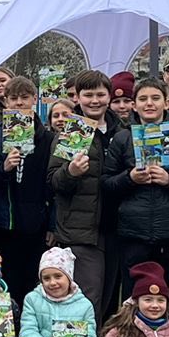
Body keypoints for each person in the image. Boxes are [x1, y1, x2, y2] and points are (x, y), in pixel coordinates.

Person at [104, 78, 169, 312]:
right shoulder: (123, 138)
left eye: (155, 98)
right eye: (142, 99)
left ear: (166, 103)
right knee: (135, 296)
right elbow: (107, 183)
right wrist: (129, 178)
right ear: (134, 105)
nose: (149, 104)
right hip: (134, 232)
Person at [46, 71, 119, 311]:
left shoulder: (123, 130)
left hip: (120, 227)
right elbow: (53, 182)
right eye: (88, 95)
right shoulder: (73, 132)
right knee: (87, 299)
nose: (95, 100)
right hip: (82, 231)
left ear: (109, 96)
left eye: (100, 94)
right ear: (77, 98)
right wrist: (71, 172)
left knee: (113, 299)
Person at [0, 74, 54, 304]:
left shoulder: (48, 138)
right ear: (5, 102)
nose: (19, 103)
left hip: (36, 224)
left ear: (34, 99)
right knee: (5, 283)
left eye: (24, 97)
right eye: (13, 98)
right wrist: (3, 168)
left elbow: (52, 185)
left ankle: (29, 331)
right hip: (4, 224)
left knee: (33, 282)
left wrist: (51, 223)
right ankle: (6, 336)